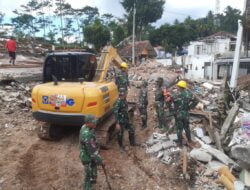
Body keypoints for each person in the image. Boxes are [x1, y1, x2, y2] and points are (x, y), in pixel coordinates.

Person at [172, 80, 198, 147]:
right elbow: (196, 100)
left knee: (179, 129)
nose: (177, 87)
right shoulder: (188, 94)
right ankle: (189, 140)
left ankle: (180, 143)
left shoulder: (175, 95)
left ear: (179, 87)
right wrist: (190, 107)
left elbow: (170, 102)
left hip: (178, 114)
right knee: (187, 128)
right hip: (186, 113)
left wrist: (173, 111)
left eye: (177, 86)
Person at [79, 114, 103, 190]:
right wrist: (101, 161)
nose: (95, 123)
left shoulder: (84, 127)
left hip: (85, 154)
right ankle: (87, 187)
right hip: (87, 158)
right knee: (88, 176)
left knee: (91, 173)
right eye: (93, 122)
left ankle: (91, 182)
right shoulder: (87, 134)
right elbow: (92, 153)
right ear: (87, 123)